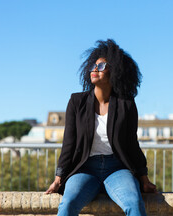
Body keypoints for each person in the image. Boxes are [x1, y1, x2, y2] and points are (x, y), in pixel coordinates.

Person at [45, 39, 157, 216]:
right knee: (68, 203)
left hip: (117, 169)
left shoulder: (126, 104)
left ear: (116, 72)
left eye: (102, 65)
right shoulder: (76, 102)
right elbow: (69, 144)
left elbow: (132, 144)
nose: (95, 69)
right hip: (85, 168)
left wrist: (144, 179)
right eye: (94, 66)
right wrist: (58, 178)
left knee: (134, 203)